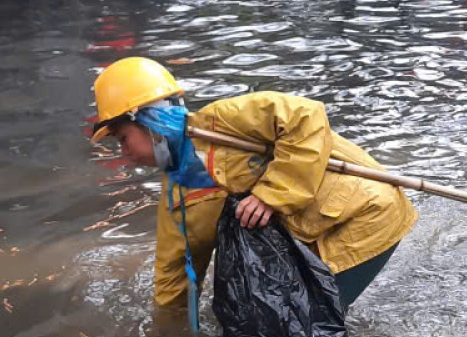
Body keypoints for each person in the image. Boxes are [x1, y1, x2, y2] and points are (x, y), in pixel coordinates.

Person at [89, 58, 418, 314]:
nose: (125, 154)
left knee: (306, 324)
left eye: (123, 139)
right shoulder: (177, 197)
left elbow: (307, 116)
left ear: (148, 121)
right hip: (317, 236)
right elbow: (174, 280)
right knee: (264, 321)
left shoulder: (225, 121)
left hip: (367, 215)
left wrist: (271, 196)